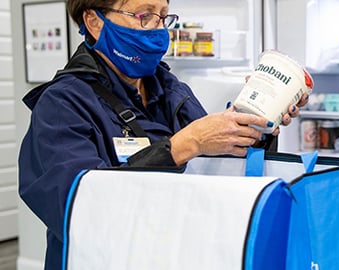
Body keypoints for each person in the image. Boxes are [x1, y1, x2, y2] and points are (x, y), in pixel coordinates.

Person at [18, 0, 309, 269]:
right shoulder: (63, 105)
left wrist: (256, 126)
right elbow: (77, 210)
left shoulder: (171, 90)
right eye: (144, 16)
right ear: (94, 21)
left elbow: (219, 172)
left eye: (162, 16)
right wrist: (183, 145)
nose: (158, 30)